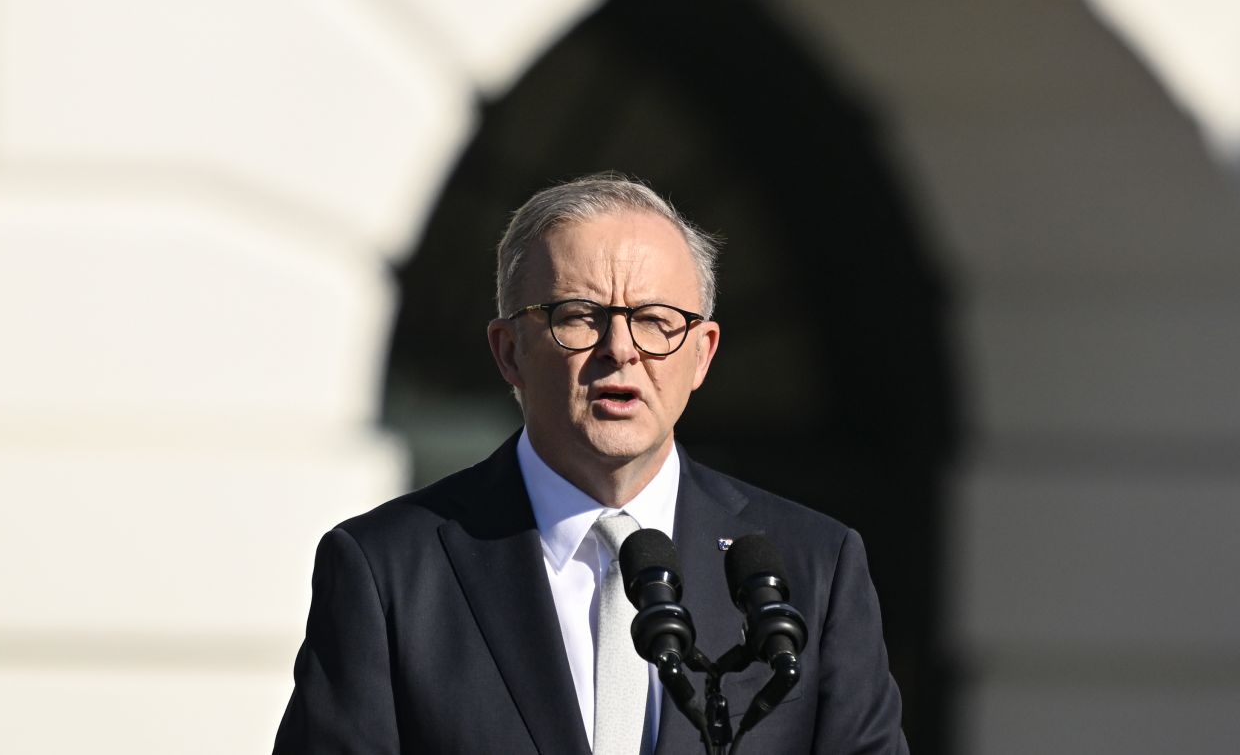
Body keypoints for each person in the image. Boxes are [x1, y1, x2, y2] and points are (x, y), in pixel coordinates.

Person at [273, 173, 908, 754]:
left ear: (703, 354)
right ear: (509, 351)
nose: (620, 350)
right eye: (579, 317)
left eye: (657, 322)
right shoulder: (387, 570)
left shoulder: (814, 566)